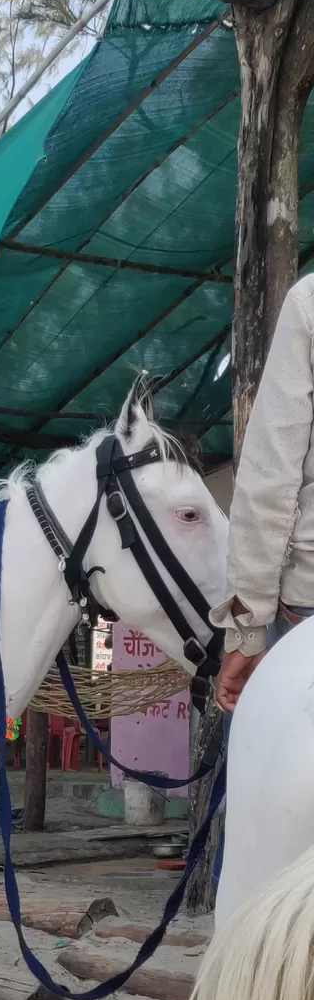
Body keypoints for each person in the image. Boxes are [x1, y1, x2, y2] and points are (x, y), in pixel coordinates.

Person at [213, 273, 314, 713]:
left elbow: (271, 473)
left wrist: (247, 629)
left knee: (257, 739)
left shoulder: (310, 302)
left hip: (308, 610)